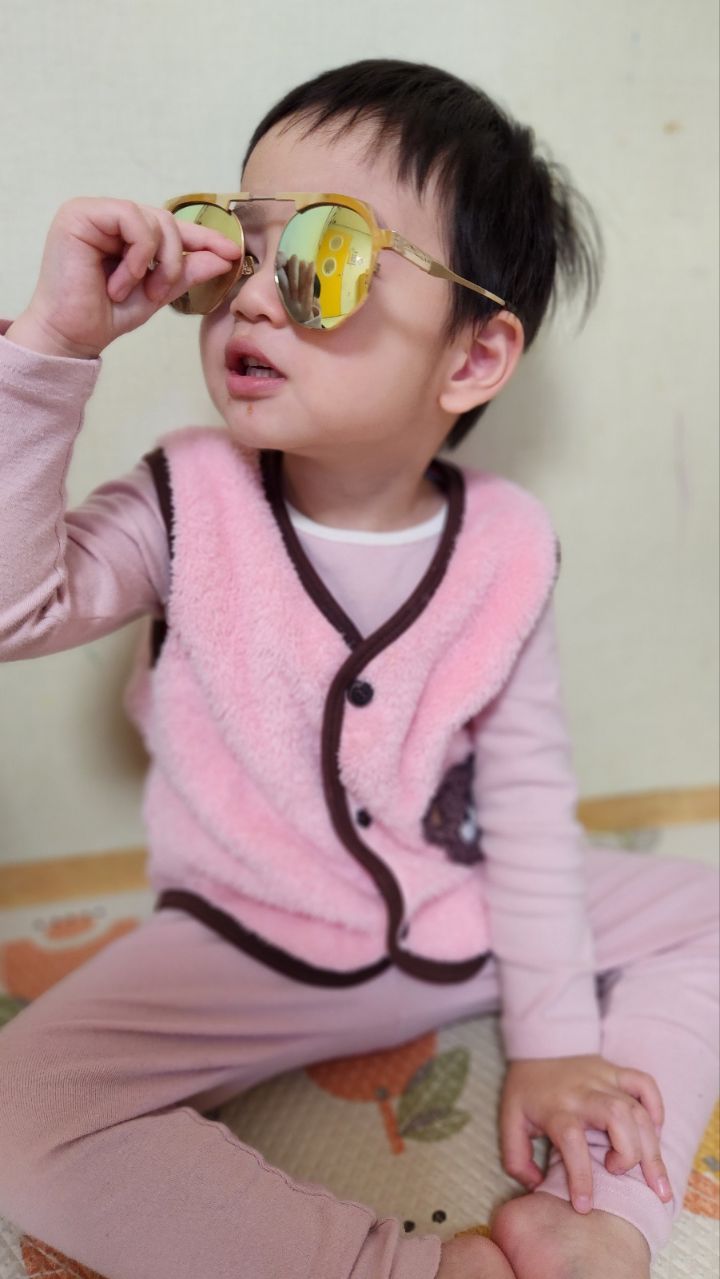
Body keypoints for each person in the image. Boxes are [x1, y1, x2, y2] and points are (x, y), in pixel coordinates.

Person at [0, 57, 716, 1279]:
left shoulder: (507, 544)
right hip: (245, 939)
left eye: (322, 257)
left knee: (706, 909)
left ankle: (600, 1219)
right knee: (24, 1102)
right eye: (237, 247)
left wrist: (554, 1039)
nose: (253, 299)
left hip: (461, 908)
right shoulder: (183, 498)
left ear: (473, 358)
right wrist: (52, 347)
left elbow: (528, 798)